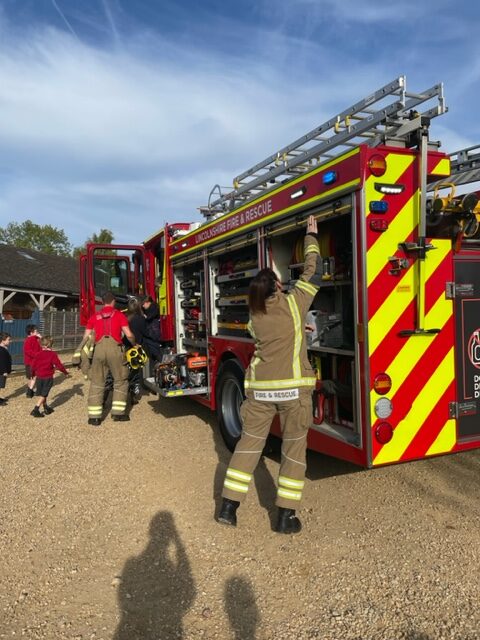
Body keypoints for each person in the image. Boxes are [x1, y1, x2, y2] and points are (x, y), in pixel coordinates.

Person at [217, 214, 322, 534]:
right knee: (293, 452)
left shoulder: (254, 317)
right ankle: (285, 517)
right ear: (279, 286)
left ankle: (228, 508)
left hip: (260, 394)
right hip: (293, 395)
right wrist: (311, 237)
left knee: (248, 448)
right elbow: (312, 270)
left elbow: (273, 337)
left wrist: (297, 331)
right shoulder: (294, 304)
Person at [83, 291, 136, 426]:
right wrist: (135, 344)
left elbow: (86, 338)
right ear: (113, 302)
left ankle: (94, 418)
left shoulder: (94, 316)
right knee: (120, 381)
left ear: (103, 302)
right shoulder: (119, 315)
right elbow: (129, 335)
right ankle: (118, 414)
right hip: (115, 351)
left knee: (97, 382)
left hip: (99, 351)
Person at [30, 336, 69, 418]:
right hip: (47, 377)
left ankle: (46, 407)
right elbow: (59, 365)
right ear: (49, 345)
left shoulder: (38, 354)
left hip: (39, 376)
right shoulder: (52, 354)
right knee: (44, 394)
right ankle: (35, 409)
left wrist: (33, 374)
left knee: (44, 392)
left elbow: (33, 365)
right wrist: (65, 372)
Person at [23, 324, 41, 398]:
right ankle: (29, 392)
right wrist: (37, 355)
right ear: (31, 332)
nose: (37, 331)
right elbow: (28, 351)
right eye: (35, 331)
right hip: (31, 362)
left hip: (34, 362)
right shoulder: (29, 340)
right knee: (33, 377)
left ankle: (30, 391)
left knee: (32, 377)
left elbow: (43, 345)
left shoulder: (36, 339)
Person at [0, 332, 12, 405]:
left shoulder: (3, 349)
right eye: (8, 340)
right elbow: (2, 362)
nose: (10, 341)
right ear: (2, 340)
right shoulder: (1, 350)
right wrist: (4, 371)